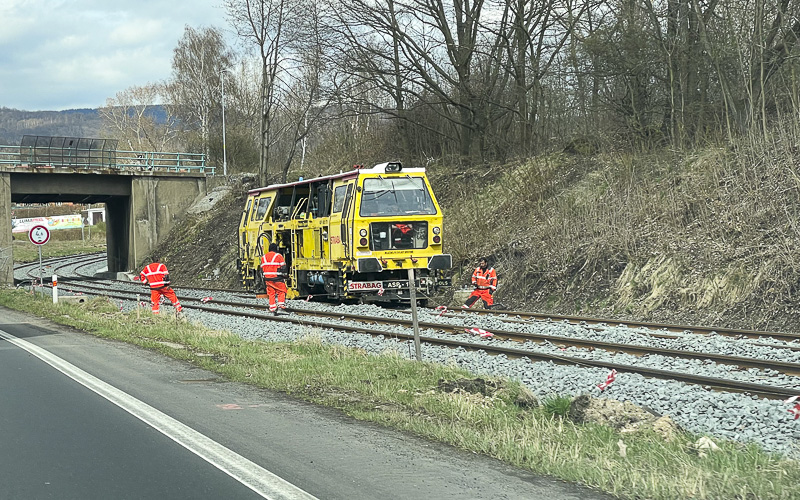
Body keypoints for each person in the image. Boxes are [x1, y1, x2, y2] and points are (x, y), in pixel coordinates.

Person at [261, 242, 288, 314]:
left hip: (267, 278)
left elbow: (262, 268)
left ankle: (272, 308)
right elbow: (283, 267)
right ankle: (281, 307)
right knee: (281, 291)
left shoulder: (263, 257)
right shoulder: (278, 256)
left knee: (271, 293)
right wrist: (285, 275)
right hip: (277, 277)